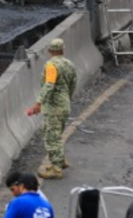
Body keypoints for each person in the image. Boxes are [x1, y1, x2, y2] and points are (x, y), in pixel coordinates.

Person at [26, 38, 77, 179]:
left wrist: (38, 103)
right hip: (65, 105)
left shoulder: (51, 66)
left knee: (51, 138)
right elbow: (73, 83)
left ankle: (56, 169)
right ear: (63, 49)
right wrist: (67, 98)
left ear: (49, 51)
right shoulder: (69, 64)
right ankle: (60, 160)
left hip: (54, 107)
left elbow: (49, 85)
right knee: (51, 131)